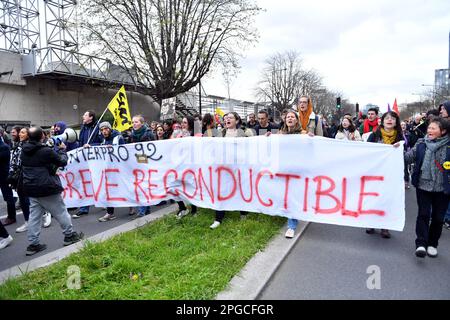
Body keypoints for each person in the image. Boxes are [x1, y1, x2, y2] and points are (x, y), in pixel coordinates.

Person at [19, 126, 83, 256]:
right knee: (61, 212)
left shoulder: (23, 151)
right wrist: (62, 150)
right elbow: (62, 162)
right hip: (47, 187)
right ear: (42, 136)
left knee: (34, 218)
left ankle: (33, 244)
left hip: (31, 188)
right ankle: (69, 236)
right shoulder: (45, 151)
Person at [404, 117, 450, 257]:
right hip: (423, 185)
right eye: (429, 128)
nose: (429, 130)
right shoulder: (421, 143)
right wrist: (397, 149)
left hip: (443, 188)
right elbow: (408, 158)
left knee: (438, 218)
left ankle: (432, 244)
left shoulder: (448, 146)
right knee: (423, 214)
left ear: (443, 131)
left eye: (433, 128)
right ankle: (421, 244)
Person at [210, 112, 253, 229]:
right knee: (222, 191)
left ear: (237, 120)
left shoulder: (245, 132)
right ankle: (218, 218)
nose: (227, 120)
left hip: (240, 167)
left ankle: (243, 214)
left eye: (230, 118)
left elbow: (254, 146)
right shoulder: (221, 133)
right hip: (225, 168)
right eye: (226, 118)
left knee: (240, 189)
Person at [365, 111, 404, 239]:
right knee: (374, 198)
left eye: (392, 118)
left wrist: (400, 149)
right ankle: (371, 222)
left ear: (396, 122)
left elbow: (406, 156)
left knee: (388, 199)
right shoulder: (374, 135)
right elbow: (366, 152)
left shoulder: (400, 138)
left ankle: (385, 226)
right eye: (387, 118)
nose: (389, 120)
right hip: (376, 173)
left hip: (392, 174)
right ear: (382, 121)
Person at [71, 110, 102, 219]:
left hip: (96, 160)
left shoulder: (98, 127)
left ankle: (104, 202)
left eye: (85, 115)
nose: (82, 116)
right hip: (84, 160)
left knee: (99, 182)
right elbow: (80, 142)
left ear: (91, 117)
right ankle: (84, 208)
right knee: (86, 183)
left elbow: (103, 142)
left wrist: (91, 145)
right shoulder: (84, 127)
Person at [97, 122, 126, 222]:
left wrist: (113, 150)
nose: (104, 131)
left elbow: (124, 152)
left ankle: (131, 206)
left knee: (125, 188)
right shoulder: (104, 140)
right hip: (109, 169)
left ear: (110, 129)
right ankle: (110, 213)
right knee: (108, 190)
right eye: (102, 130)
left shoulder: (118, 138)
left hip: (119, 168)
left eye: (106, 129)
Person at [172, 116, 199, 218]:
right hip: (179, 165)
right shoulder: (178, 134)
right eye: (182, 122)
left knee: (190, 187)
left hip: (190, 166)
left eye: (185, 123)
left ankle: (194, 210)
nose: (182, 124)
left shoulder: (196, 134)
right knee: (174, 186)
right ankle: (182, 208)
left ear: (190, 124)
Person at [8, 127, 32, 233]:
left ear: (28, 135)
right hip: (18, 177)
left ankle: (30, 221)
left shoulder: (29, 146)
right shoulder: (18, 145)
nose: (20, 134)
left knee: (26, 200)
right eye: (20, 133)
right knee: (23, 200)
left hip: (26, 176)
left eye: (23, 133)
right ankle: (29, 221)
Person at [1, 136, 17, 226]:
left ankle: (12, 217)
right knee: (7, 197)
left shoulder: (4, 147)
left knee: (8, 197)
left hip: (4, 176)